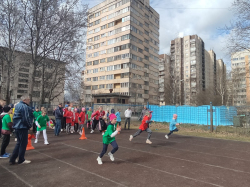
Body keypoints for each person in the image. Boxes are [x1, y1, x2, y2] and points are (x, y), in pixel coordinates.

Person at [9, 95, 33, 165]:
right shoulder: (24, 106)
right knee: (23, 143)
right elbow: (25, 118)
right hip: (22, 126)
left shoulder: (17, 105)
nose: (29, 101)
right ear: (24, 100)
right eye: (28, 100)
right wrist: (29, 125)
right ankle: (21, 159)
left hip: (17, 126)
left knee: (19, 143)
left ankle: (12, 159)